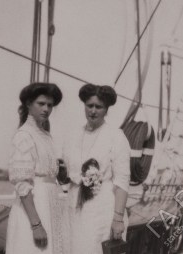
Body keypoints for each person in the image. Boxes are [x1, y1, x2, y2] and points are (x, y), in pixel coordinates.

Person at [63, 84, 130, 254]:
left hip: (102, 208)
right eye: (89, 105)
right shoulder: (73, 135)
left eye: (98, 107)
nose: (93, 111)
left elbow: (122, 181)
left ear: (106, 109)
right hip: (74, 207)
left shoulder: (116, 136)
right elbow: (67, 171)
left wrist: (118, 219)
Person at [6, 82, 70, 254]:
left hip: (51, 204)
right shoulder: (23, 136)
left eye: (50, 105)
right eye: (41, 104)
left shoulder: (46, 136)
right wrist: (36, 225)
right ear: (28, 104)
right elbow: (22, 183)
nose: (46, 109)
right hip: (34, 208)